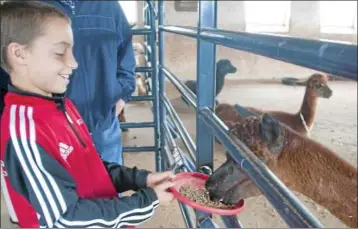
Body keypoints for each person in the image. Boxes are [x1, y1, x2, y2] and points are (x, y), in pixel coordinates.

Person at [0, 1, 175, 228]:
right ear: (19, 54)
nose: (73, 63)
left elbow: (88, 163)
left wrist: (141, 179)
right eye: (60, 52)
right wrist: (147, 200)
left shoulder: (61, 106)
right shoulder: (24, 134)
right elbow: (65, 218)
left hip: (102, 125)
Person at [40, 0, 136, 165]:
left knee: (109, 185)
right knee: (60, 187)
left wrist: (120, 97)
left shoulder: (108, 6)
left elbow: (125, 52)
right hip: (51, 127)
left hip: (103, 124)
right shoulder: (33, 6)